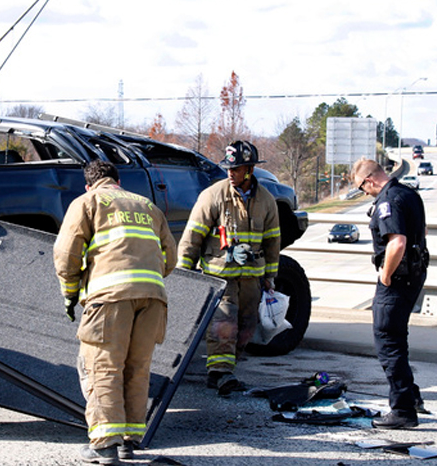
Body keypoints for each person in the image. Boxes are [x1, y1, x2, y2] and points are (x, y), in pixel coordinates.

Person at [53, 160, 176, 465]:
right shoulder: (146, 205)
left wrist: (70, 294)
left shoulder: (87, 202)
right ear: (118, 181)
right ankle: (128, 442)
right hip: (153, 298)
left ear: (89, 184)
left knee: (103, 366)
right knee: (137, 367)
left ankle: (105, 445)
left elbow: (66, 254)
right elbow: (170, 257)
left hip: (109, 298)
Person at [177, 140, 281, 396]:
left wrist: (270, 276)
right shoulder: (213, 196)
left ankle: (228, 367)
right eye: (228, 169)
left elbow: (273, 241)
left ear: (250, 170)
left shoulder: (266, 200)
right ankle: (219, 373)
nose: (230, 174)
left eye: (236, 169)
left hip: (252, 279)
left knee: (246, 327)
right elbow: (192, 237)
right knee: (223, 326)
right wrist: (185, 275)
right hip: (220, 277)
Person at [351, 157, 428, 429]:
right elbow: (422, 231)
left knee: (387, 341)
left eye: (362, 187)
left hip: (397, 280)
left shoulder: (387, 201)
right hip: (415, 275)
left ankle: (403, 410)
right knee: (397, 336)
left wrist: (385, 277)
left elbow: (398, 242)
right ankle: (412, 395)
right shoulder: (409, 193)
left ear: (369, 180)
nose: (364, 192)